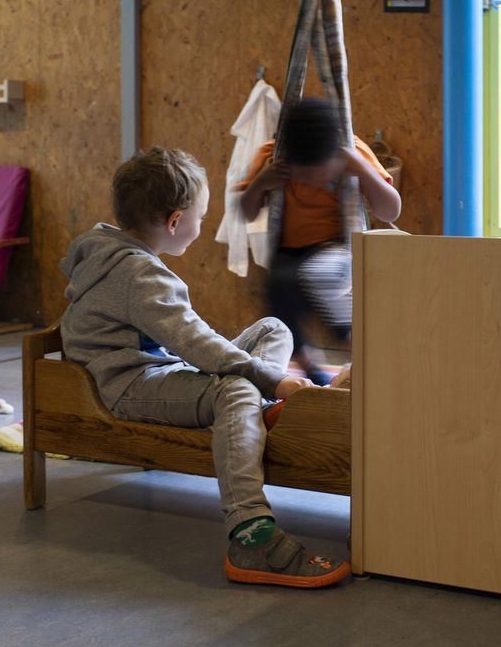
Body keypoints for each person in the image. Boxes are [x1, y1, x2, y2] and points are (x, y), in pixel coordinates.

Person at [59, 146, 349, 588]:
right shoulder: (140, 276)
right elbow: (196, 344)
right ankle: (250, 533)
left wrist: (262, 376)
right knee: (234, 389)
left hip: (152, 365)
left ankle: (252, 409)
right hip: (130, 382)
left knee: (272, 328)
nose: (201, 225)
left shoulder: (106, 250)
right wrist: (275, 378)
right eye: (200, 216)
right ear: (175, 221)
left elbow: (193, 343)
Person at [237, 97, 401, 385]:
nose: (312, 181)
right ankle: (308, 363)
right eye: (303, 176)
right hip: (289, 252)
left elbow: (390, 210)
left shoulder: (352, 153)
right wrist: (261, 183)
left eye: (320, 174)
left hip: (338, 248)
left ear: (337, 157)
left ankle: (360, 350)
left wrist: (361, 169)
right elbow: (246, 212)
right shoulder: (273, 159)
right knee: (279, 285)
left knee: (322, 277)